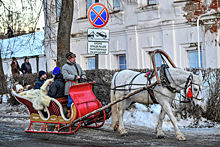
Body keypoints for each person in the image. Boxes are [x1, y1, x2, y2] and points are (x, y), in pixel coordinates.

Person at [62, 52, 86, 117]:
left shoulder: (77, 65)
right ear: (69, 59)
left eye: (74, 57)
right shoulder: (65, 67)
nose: (74, 59)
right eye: (72, 58)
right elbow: (65, 76)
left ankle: (79, 113)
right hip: (70, 86)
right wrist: (75, 77)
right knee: (71, 101)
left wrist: (83, 76)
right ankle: (70, 114)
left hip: (78, 86)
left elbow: (83, 72)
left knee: (80, 100)